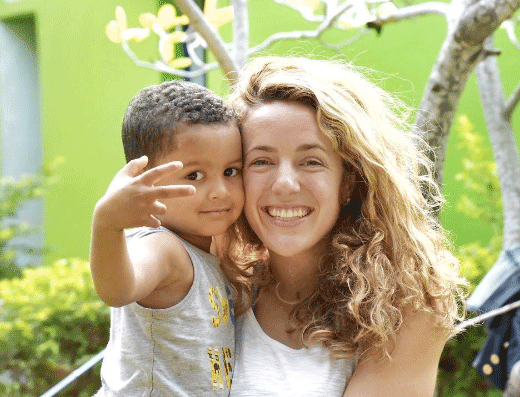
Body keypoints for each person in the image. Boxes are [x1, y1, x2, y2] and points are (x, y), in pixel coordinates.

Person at [227, 56, 466, 396]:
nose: (284, 184)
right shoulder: (219, 283)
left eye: (311, 161)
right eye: (261, 161)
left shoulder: (407, 308)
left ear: (349, 181)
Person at [90, 80, 249, 396]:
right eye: (194, 175)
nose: (220, 191)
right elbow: (118, 289)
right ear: (141, 180)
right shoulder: (163, 247)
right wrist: (107, 224)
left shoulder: (208, 250)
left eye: (231, 171)